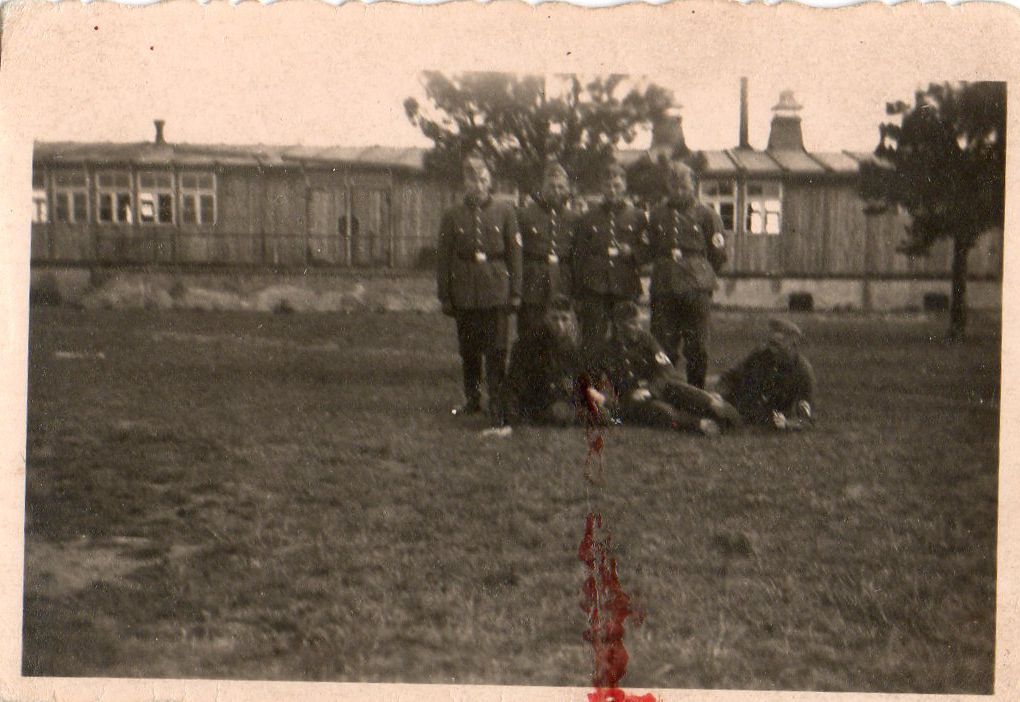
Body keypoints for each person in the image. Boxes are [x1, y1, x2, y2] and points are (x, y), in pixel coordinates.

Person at [436, 151, 522, 430]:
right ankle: (472, 399)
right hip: (465, 289)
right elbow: (444, 257)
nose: (478, 186)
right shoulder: (452, 215)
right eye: (472, 180)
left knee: (496, 350)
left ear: (490, 181)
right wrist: (445, 294)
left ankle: (497, 400)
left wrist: (516, 292)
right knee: (469, 349)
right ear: (465, 183)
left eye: (483, 180)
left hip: (496, 288)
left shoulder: (506, 212)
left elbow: (515, 255)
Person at [586, 301, 741, 436]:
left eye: (639, 323)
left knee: (691, 394)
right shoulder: (605, 350)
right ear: (618, 325)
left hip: (660, 386)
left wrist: (650, 390)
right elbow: (591, 380)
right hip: (634, 399)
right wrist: (600, 397)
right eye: (633, 324)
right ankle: (700, 424)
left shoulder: (646, 340)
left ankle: (723, 412)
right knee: (664, 412)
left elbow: (665, 370)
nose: (638, 328)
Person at [647, 158, 727, 388]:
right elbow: (651, 248)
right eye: (674, 187)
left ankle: (696, 392)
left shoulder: (707, 215)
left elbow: (718, 254)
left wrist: (699, 273)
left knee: (697, 346)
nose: (679, 192)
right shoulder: (657, 215)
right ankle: (665, 391)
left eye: (684, 186)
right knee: (663, 344)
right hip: (664, 286)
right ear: (668, 187)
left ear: (693, 185)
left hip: (696, 288)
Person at [571, 163, 649, 346]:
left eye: (617, 185)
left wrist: (633, 252)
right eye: (608, 186)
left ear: (624, 186)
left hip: (625, 285)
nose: (612, 190)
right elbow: (579, 255)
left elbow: (648, 249)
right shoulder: (588, 217)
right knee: (592, 338)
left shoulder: (638, 216)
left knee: (626, 336)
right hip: (595, 287)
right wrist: (578, 291)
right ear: (601, 187)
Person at [717, 317, 816, 431]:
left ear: (793, 345)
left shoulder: (803, 371)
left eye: (778, 345)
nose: (772, 350)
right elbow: (729, 377)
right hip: (742, 410)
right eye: (771, 344)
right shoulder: (760, 356)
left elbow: (806, 420)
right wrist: (720, 397)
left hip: (771, 418)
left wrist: (787, 424)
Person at [503, 296, 588, 427]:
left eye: (564, 319)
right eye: (555, 318)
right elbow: (515, 385)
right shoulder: (529, 344)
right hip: (536, 402)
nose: (560, 325)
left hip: (561, 400)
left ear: (571, 320)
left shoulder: (572, 346)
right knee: (561, 414)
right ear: (546, 318)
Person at [517, 159, 577, 339]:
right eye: (551, 186)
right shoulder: (525, 215)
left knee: (561, 332)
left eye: (560, 187)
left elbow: (577, 255)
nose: (556, 191)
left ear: (567, 189)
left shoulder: (574, 219)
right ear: (542, 187)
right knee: (531, 330)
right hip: (533, 280)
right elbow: (517, 254)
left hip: (562, 280)